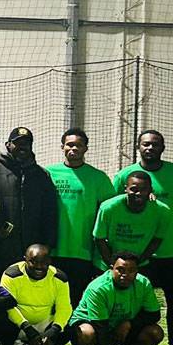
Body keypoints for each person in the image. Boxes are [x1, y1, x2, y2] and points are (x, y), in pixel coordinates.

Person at [112, 130, 173, 345]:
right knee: (141, 307)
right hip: (138, 254)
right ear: (138, 147)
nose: (150, 148)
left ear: (163, 147)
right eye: (146, 144)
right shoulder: (124, 176)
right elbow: (116, 208)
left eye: (155, 144)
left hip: (172, 251)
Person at [69, 252, 165, 345]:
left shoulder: (144, 283)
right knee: (87, 333)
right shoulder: (98, 288)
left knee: (155, 333)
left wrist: (129, 324)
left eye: (131, 270)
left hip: (120, 329)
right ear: (111, 269)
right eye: (120, 269)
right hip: (95, 327)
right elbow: (100, 327)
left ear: (137, 271)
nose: (125, 274)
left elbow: (154, 315)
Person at [45, 128, 114, 305]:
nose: (73, 149)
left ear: (85, 149)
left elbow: (111, 212)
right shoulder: (48, 173)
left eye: (78, 145)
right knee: (51, 300)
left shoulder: (98, 177)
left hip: (83, 251)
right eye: (69, 145)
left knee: (75, 299)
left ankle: (74, 333)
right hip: (52, 250)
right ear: (62, 147)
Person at [0, 127, 58, 274]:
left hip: (32, 251)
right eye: (17, 143)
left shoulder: (41, 175)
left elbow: (50, 212)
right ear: (8, 145)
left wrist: (48, 244)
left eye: (26, 143)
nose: (22, 147)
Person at [0, 244, 72, 345]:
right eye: (33, 262)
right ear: (25, 260)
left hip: (43, 324)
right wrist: (27, 327)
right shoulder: (12, 274)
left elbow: (64, 308)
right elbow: (8, 305)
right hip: (18, 324)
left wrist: (54, 330)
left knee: (69, 326)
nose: (39, 266)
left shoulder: (59, 277)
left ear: (49, 261)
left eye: (44, 263)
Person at [93, 171, 171, 271]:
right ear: (126, 188)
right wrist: (113, 264)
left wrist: (138, 263)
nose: (138, 193)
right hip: (107, 264)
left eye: (144, 189)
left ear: (151, 190)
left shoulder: (162, 211)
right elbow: (99, 239)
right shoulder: (108, 208)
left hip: (140, 264)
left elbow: (157, 240)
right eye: (134, 189)